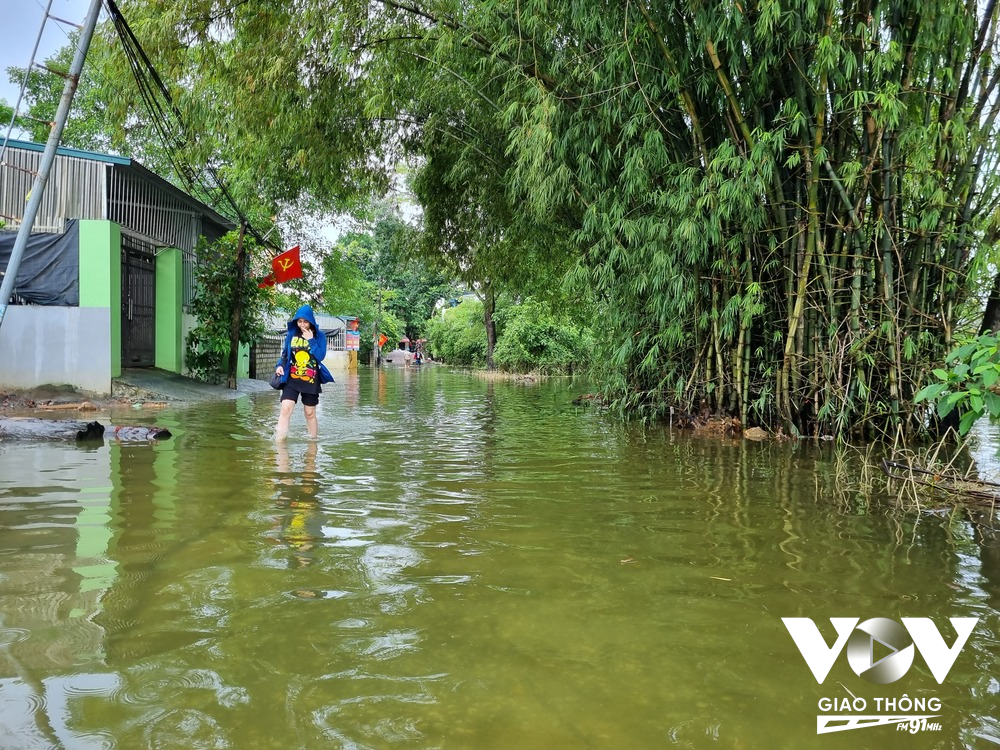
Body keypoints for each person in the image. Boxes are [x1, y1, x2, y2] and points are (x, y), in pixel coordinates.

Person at [273, 305, 334, 440]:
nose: (302, 325)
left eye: (305, 321)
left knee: (309, 413)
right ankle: (279, 442)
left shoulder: (320, 336)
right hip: (292, 378)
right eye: (299, 321)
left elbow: (320, 356)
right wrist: (279, 366)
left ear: (311, 321)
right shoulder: (291, 335)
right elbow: (285, 355)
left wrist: (310, 340)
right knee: (285, 409)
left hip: (311, 379)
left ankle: (312, 443)